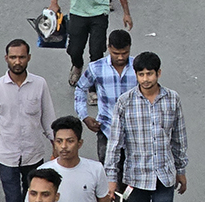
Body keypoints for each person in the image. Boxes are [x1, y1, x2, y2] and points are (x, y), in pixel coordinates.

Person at [0, 39, 56, 202]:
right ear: (6, 58)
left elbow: (48, 117)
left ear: (29, 58)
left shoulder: (40, 84)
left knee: (34, 197)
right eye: (13, 57)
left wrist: (56, 145)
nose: (17, 62)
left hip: (33, 155)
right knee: (13, 198)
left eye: (22, 57)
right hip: (7, 157)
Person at [103, 51, 188, 202]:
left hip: (164, 176)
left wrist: (180, 170)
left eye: (149, 74)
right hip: (136, 179)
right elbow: (115, 143)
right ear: (136, 75)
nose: (145, 79)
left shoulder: (172, 99)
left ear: (158, 73)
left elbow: (179, 138)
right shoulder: (124, 102)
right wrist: (111, 178)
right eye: (141, 74)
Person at [73, 29, 135, 163]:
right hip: (107, 129)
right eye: (115, 53)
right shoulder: (96, 68)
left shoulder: (138, 68)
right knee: (107, 173)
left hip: (135, 131)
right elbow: (80, 88)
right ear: (109, 48)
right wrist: (84, 116)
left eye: (124, 53)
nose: (120, 57)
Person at [38, 116, 113, 202]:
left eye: (70, 141)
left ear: (79, 143)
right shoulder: (42, 172)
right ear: (54, 143)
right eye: (59, 141)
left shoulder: (96, 169)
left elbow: (104, 199)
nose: (63, 146)